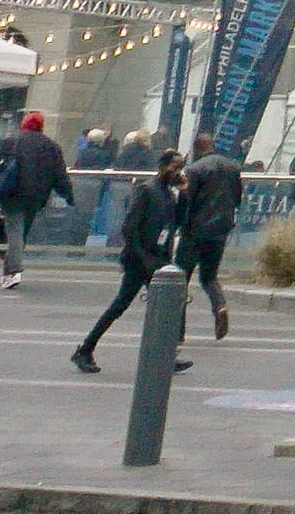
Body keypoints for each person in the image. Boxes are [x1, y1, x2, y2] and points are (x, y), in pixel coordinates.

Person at [72, 155, 187, 373]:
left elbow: (179, 221)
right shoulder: (147, 190)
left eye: (180, 168)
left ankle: (165, 354)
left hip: (158, 257)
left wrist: (185, 194)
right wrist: (141, 256)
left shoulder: (168, 195)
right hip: (141, 259)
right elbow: (129, 226)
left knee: (164, 307)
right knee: (121, 305)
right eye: (174, 167)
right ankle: (85, 349)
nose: (177, 172)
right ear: (162, 166)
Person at [0, 108, 69, 286]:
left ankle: (13, 270)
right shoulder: (52, 146)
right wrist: (68, 194)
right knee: (21, 231)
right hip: (37, 196)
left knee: (15, 229)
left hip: (13, 192)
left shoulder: (11, 142)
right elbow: (60, 174)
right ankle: (9, 270)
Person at [178, 141, 246, 341]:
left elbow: (187, 201)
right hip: (220, 229)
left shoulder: (193, 170)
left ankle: (178, 329)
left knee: (180, 279)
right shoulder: (233, 167)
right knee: (209, 277)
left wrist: (181, 224)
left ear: (197, 149)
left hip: (195, 230)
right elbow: (237, 197)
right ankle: (220, 306)